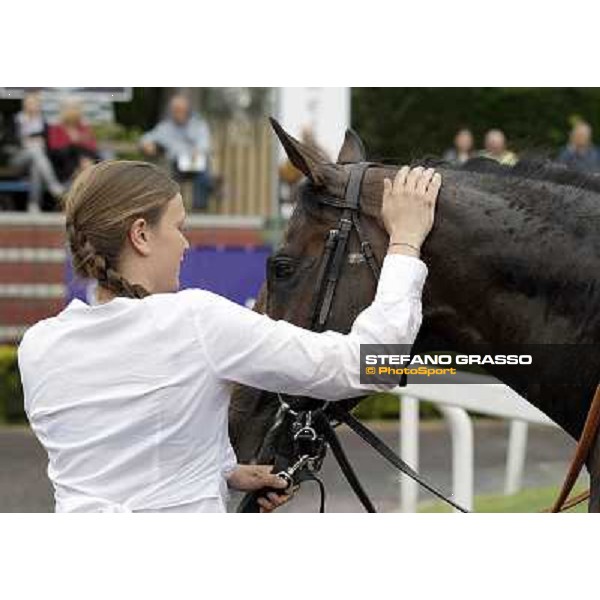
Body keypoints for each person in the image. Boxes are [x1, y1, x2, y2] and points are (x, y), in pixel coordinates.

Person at [17, 160, 441, 513]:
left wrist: (223, 471)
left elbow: (123, 448)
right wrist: (405, 241)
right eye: (178, 226)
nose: (185, 244)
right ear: (141, 234)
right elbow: (368, 364)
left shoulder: (37, 346)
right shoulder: (195, 321)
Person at [140, 94, 213, 210]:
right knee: (166, 175)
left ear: (188, 110)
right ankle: (173, 210)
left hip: (196, 163)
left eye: (181, 110)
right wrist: (147, 144)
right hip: (175, 165)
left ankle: (199, 210)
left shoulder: (198, 125)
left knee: (204, 175)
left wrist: (198, 151)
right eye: (175, 110)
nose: (177, 113)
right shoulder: (165, 127)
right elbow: (146, 138)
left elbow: (204, 144)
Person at [9, 92, 65, 212]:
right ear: (25, 104)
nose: (32, 106)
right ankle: (53, 186)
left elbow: (49, 145)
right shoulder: (16, 119)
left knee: (36, 163)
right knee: (35, 150)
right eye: (30, 103)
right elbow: (9, 141)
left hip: (38, 160)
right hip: (18, 159)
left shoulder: (43, 122)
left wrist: (40, 142)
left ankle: (33, 204)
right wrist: (26, 141)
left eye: (35, 103)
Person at [47, 98, 99, 184]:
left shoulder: (84, 128)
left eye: (75, 108)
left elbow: (93, 149)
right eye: (70, 108)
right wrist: (74, 143)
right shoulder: (56, 129)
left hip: (85, 164)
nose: (72, 112)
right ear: (63, 110)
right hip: (63, 167)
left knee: (88, 161)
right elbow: (55, 152)